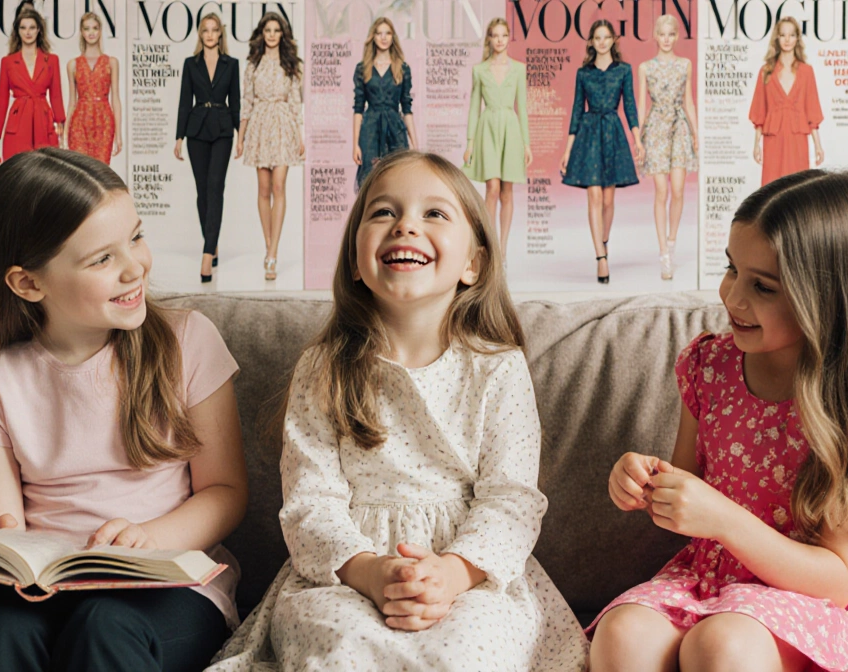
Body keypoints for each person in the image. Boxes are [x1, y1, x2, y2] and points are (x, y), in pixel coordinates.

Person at [209, 151, 588, 671]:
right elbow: (309, 503)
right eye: (383, 212)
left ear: (472, 264)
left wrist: (453, 573)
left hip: (469, 574)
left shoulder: (498, 369)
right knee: (339, 649)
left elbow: (512, 500)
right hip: (344, 572)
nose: (406, 224)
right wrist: (368, 571)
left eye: (435, 213)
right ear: (354, 261)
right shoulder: (324, 368)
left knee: (472, 650)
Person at [589, 170, 848, 672]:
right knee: (622, 635)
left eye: (763, 287)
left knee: (721, 644)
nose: (733, 298)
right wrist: (643, 481)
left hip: (812, 598)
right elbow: (686, 487)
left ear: (826, 297)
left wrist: (722, 517)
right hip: (711, 582)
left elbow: (837, 577)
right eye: (732, 270)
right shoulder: (708, 365)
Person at [0, 148, 247, 672]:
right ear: (29, 283)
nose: (135, 267)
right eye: (102, 259)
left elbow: (227, 493)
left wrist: (150, 539)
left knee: (104, 624)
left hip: (170, 581)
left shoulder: (188, 340)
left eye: (136, 237)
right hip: (43, 592)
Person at [561, 20, 643, 284]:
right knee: (594, 197)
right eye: (598, 37)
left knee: (608, 200)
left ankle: (603, 241)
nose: (603, 42)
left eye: (607, 37)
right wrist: (567, 150)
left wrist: (637, 140)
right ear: (592, 42)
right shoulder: (583, 73)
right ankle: (601, 258)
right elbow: (576, 109)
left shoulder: (624, 70)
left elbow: (630, 106)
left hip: (613, 134)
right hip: (588, 135)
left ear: (613, 40)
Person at [237, 12, 303, 281]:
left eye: (277, 30)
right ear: (262, 34)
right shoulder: (253, 64)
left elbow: (296, 101)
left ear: (282, 34)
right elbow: (246, 102)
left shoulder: (290, 64)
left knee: (279, 187)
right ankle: (269, 246)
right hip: (260, 126)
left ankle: (273, 252)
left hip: (284, 124)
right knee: (264, 191)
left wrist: (301, 136)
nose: (272, 34)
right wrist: (240, 138)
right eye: (268, 30)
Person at [176, 12, 241, 283]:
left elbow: (235, 101)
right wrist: (179, 137)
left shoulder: (232, 64)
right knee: (202, 191)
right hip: (197, 130)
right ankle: (211, 241)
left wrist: (242, 135)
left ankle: (206, 253)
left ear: (220, 34)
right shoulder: (191, 64)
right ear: (200, 34)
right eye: (206, 30)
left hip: (223, 130)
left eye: (215, 30)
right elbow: (183, 101)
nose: (211, 34)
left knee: (216, 186)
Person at [463, 17, 530, 262]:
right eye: (495, 35)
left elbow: (521, 106)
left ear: (508, 38)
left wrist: (526, 144)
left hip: (511, 129)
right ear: (489, 39)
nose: (500, 40)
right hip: (487, 127)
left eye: (504, 35)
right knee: (492, 188)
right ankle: (490, 244)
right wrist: (470, 142)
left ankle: (503, 248)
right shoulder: (479, 70)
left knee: (507, 191)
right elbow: (473, 107)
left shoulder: (519, 68)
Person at [636, 15, 697, 281]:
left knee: (679, 189)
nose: (667, 38)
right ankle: (664, 253)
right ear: (655, 36)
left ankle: (672, 241)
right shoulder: (645, 68)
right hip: (656, 129)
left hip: (679, 128)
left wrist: (696, 132)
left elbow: (689, 101)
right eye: (662, 34)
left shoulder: (685, 65)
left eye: (671, 34)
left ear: (676, 36)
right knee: (661, 190)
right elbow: (641, 104)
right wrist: (638, 139)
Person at [749, 18, 823, 187]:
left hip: (797, 138)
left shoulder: (806, 72)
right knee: (772, 188)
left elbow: (812, 110)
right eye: (783, 35)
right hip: (773, 138)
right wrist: (756, 145)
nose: (787, 40)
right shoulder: (766, 71)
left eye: (791, 35)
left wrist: (818, 146)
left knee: (798, 189)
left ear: (797, 38)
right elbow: (759, 110)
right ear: (777, 38)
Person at [0, 6, 65, 163]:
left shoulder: (52, 60)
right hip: (18, 124)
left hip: (43, 122)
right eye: (23, 28)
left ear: (39, 29)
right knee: (18, 173)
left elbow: (56, 95)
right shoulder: (8, 62)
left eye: (32, 27)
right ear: (17, 31)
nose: (28, 32)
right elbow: (2, 101)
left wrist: (61, 126)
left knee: (46, 172)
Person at [353, 17, 416, 189]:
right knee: (370, 181)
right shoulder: (362, 68)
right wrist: (355, 145)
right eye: (379, 33)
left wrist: (415, 144)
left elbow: (407, 107)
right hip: (370, 131)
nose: (383, 37)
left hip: (395, 129)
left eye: (387, 33)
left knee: (398, 178)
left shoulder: (402, 68)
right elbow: (358, 108)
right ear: (372, 37)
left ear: (393, 37)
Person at [66, 12, 121, 165]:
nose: (91, 32)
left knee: (101, 173)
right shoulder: (73, 64)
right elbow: (72, 102)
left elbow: (115, 98)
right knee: (80, 172)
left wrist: (119, 133)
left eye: (95, 28)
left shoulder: (111, 62)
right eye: (87, 28)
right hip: (79, 124)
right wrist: (65, 135)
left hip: (104, 122)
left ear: (100, 31)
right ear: (82, 32)